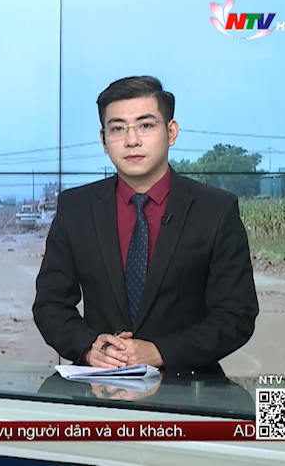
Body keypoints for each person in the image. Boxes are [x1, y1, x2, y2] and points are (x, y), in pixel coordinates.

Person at [32, 76, 258, 376]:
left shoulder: (215, 210)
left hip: (189, 387)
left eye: (146, 125)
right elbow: (50, 304)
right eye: (117, 129)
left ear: (171, 132)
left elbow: (236, 314)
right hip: (99, 386)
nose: (132, 140)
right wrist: (88, 347)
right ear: (103, 140)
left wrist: (161, 351)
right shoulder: (76, 208)